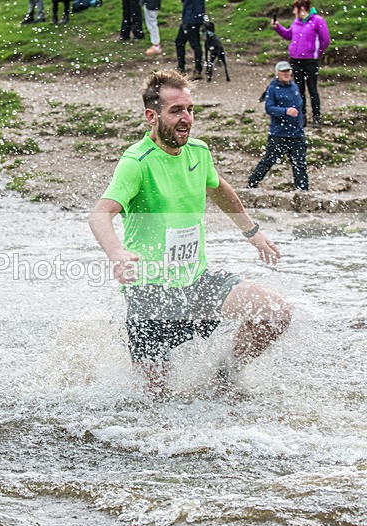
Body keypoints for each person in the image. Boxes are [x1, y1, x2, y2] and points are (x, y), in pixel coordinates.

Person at [88, 69, 291, 397]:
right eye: (176, 111)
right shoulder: (136, 162)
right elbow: (100, 214)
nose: (186, 119)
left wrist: (252, 233)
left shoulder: (198, 152)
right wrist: (116, 252)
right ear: (151, 116)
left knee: (274, 312)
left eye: (190, 110)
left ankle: (224, 376)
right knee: (156, 404)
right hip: (150, 294)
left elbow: (220, 190)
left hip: (196, 283)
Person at [248, 62, 308, 191]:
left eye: (288, 71)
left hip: (297, 134)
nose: (286, 74)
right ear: (277, 73)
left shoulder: (295, 87)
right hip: (279, 134)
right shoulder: (273, 88)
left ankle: (303, 191)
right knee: (269, 161)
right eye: (283, 71)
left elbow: (299, 107)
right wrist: (285, 111)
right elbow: (269, 108)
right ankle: (251, 185)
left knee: (300, 165)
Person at [272, 0, 330, 129]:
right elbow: (288, 35)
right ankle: (301, 117)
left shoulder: (317, 21)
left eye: (295, 9)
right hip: (295, 60)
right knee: (298, 90)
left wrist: (316, 53)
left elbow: (325, 40)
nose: (293, 12)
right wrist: (278, 27)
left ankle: (316, 117)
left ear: (302, 8)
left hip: (310, 61)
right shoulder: (296, 22)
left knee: (312, 89)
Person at [175, 0, 205, 80]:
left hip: (189, 18)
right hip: (197, 17)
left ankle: (183, 68)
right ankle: (196, 69)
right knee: (194, 43)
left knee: (182, 42)